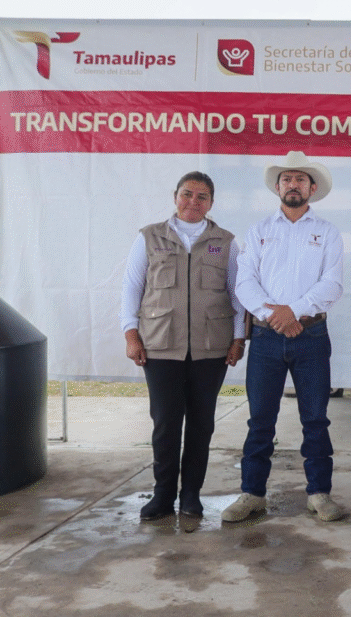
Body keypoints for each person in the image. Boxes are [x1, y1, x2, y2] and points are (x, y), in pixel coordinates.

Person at [221, 152, 346, 524]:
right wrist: (273, 316)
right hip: (266, 338)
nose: (294, 184)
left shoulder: (327, 232)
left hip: (311, 336)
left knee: (316, 419)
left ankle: (319, 494)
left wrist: (294, 311)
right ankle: (252, 493)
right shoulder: (259, 230)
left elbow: (332, 284)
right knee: (260, 420)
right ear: (278, 187)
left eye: (300, 179)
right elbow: (245, 282)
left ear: (312, 188)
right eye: (287, 179)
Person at [121, 171, 246, 521]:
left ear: (211, 203)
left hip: (211, 347)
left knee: (201, 424)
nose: (193, 201)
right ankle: (163, 495)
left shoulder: (225, 242)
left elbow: (238, 294)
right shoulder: (149, 237)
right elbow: (132, 287)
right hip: (160, 345)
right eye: (187, 194)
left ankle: (191, 494)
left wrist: (238, 338)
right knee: (165, 423)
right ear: (175, 196)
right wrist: (131, 334)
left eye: (202, 196)